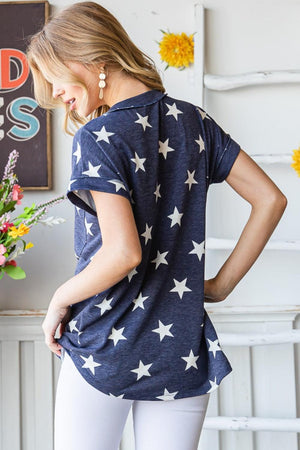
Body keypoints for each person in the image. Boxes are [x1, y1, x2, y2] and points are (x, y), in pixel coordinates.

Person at [26, 2, 287, 449]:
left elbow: (122, 252)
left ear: (88, 59)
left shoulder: (98, 136)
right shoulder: (195, 122)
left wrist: (58, 300)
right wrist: (220, 286)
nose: (56, 93)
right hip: (178, 348)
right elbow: (270, 199)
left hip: (105, 344)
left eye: (55, 77)